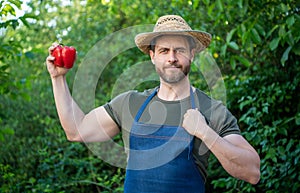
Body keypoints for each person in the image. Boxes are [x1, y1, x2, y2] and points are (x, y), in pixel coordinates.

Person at [46, 15, 260, 193]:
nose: (172, 58)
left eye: (180, 50)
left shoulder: (210, 109)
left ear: (192, 55)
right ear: (152, 56)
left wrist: (205, 132)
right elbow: (76, 130)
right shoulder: (130, 103)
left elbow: (252, 172)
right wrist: (58, 79)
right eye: (164, 51)